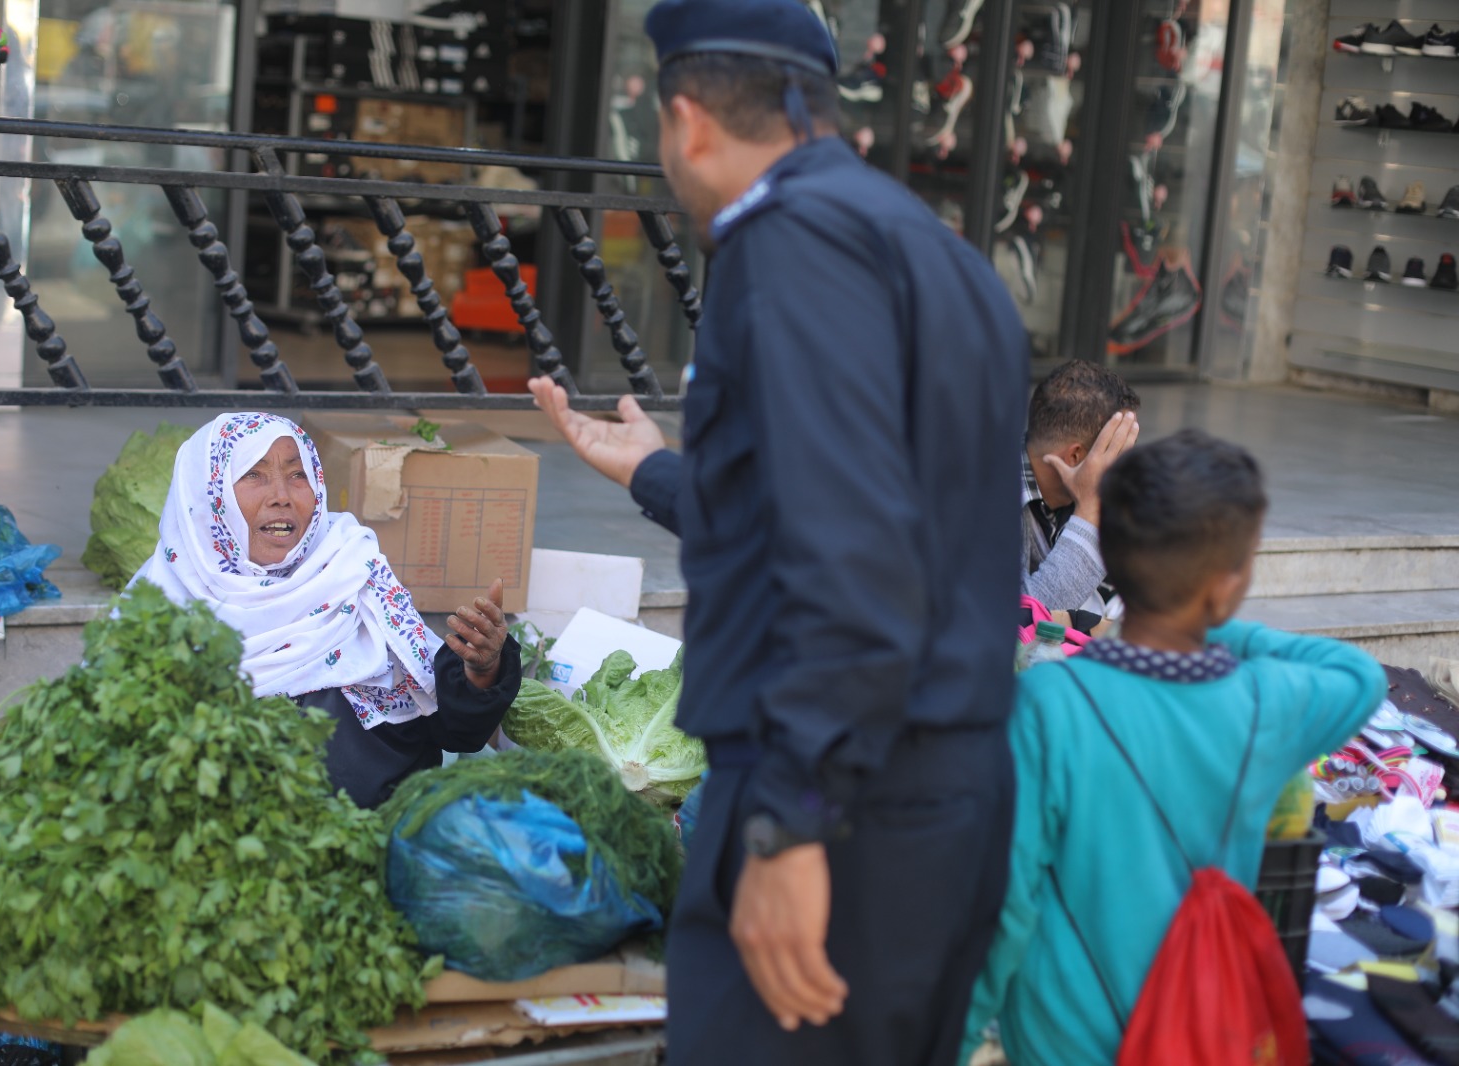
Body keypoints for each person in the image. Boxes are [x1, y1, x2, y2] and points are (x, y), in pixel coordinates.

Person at [528, 1, 1029, 1062]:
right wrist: (665, 475)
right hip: (930, 795)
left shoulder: (788, 245)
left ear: (685, 120)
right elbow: (852, 510)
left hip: (844, 802)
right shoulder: (927, 251)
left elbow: (854, 561)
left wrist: (788, 824)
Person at [963, 429, 1385, 1065]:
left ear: (1110, 551)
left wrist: (959, 1036)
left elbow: (1006, 905)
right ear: (1225, 583)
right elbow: (1359, 677)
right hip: (1197, 1030)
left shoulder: (1049, 704)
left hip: (1061, 1040)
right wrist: (1210, 618)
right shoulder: (1265, 705)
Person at [130, 412, 521, 809]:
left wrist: (483, 670)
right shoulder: (159, 610)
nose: (281, 495)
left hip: (382, 834)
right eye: (254, 474)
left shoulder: (352, 569)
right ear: (207, 495)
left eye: (297, 475)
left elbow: (454, 730)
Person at [1021, 360, 1141, 625]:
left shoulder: (1064, 498)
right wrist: (1090, 510)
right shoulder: (985, 496)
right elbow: (1024, 619)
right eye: (1118, 452)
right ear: (1076, 456)